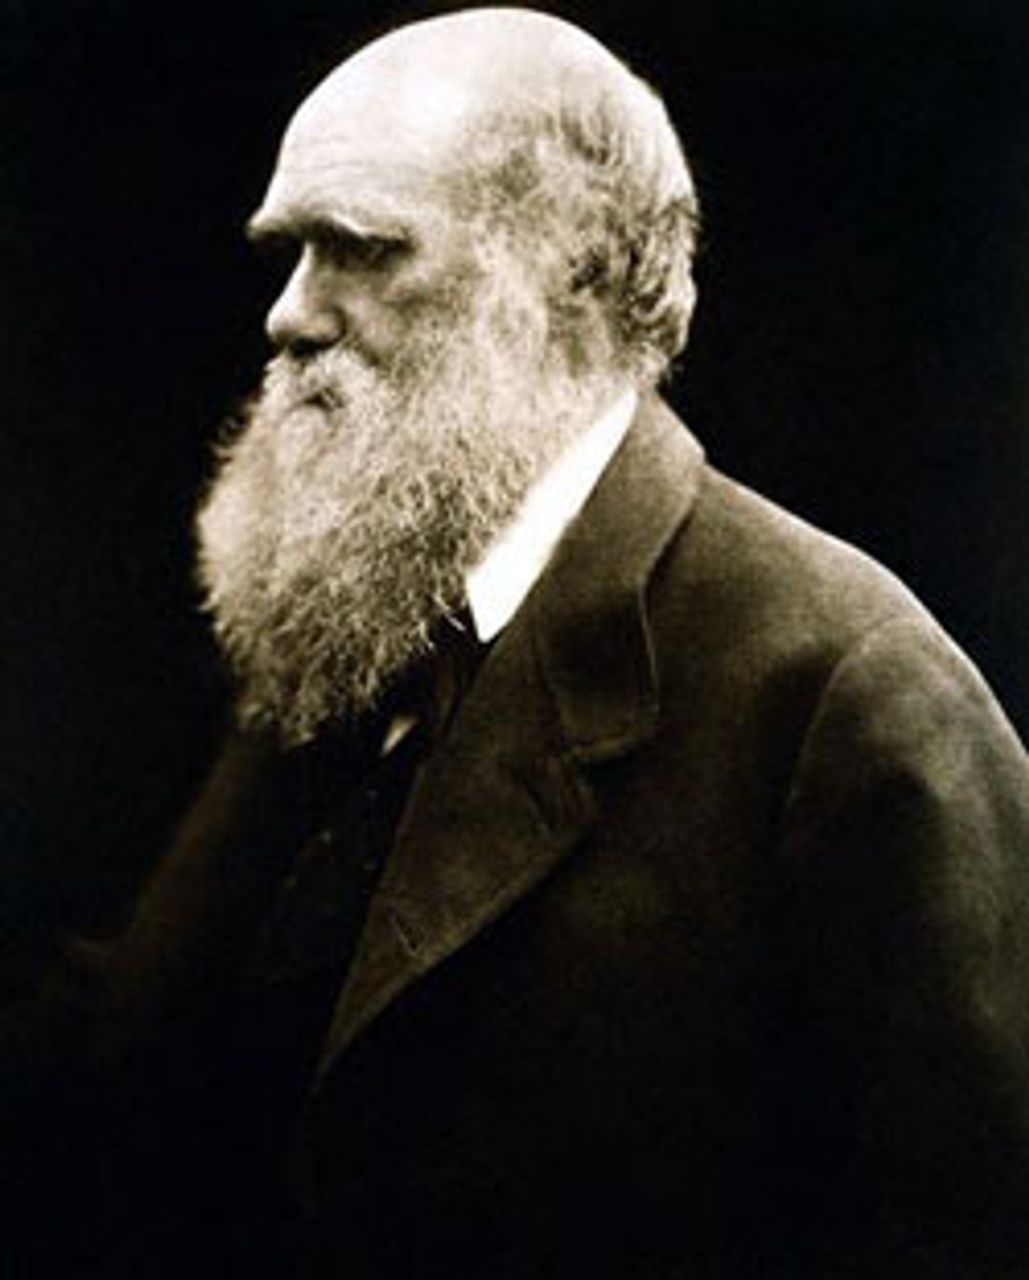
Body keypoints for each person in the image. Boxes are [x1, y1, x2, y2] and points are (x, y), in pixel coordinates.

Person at [14, 7, 1029, 1278]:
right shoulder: (353, 611)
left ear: (578, 277)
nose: (288, 314)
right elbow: (129, 1046)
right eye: (289, 254)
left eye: (360, 249)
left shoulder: (849, 694)